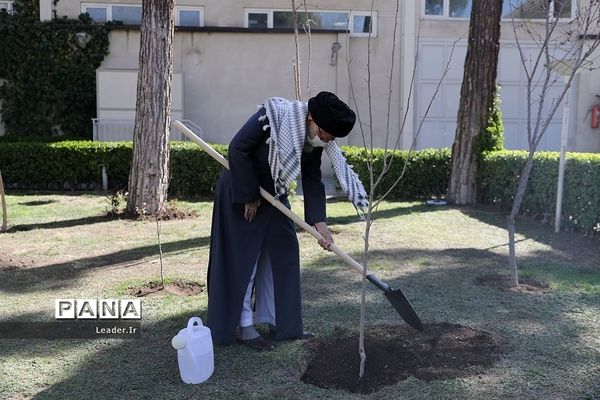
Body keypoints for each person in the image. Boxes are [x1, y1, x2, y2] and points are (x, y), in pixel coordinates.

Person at [206, 91, 367, 351]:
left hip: (274, 194)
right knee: (247, 257)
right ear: (311, 119)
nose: (326, 140)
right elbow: (237, 148)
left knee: (284, 250)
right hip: (242, 189)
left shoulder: (314, 140)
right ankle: (245, 326)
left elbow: (312, 178)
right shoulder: (272, 116)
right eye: (326, 134)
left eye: (331, 138)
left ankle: (281, 321)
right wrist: (249, 197)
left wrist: (320, 223)